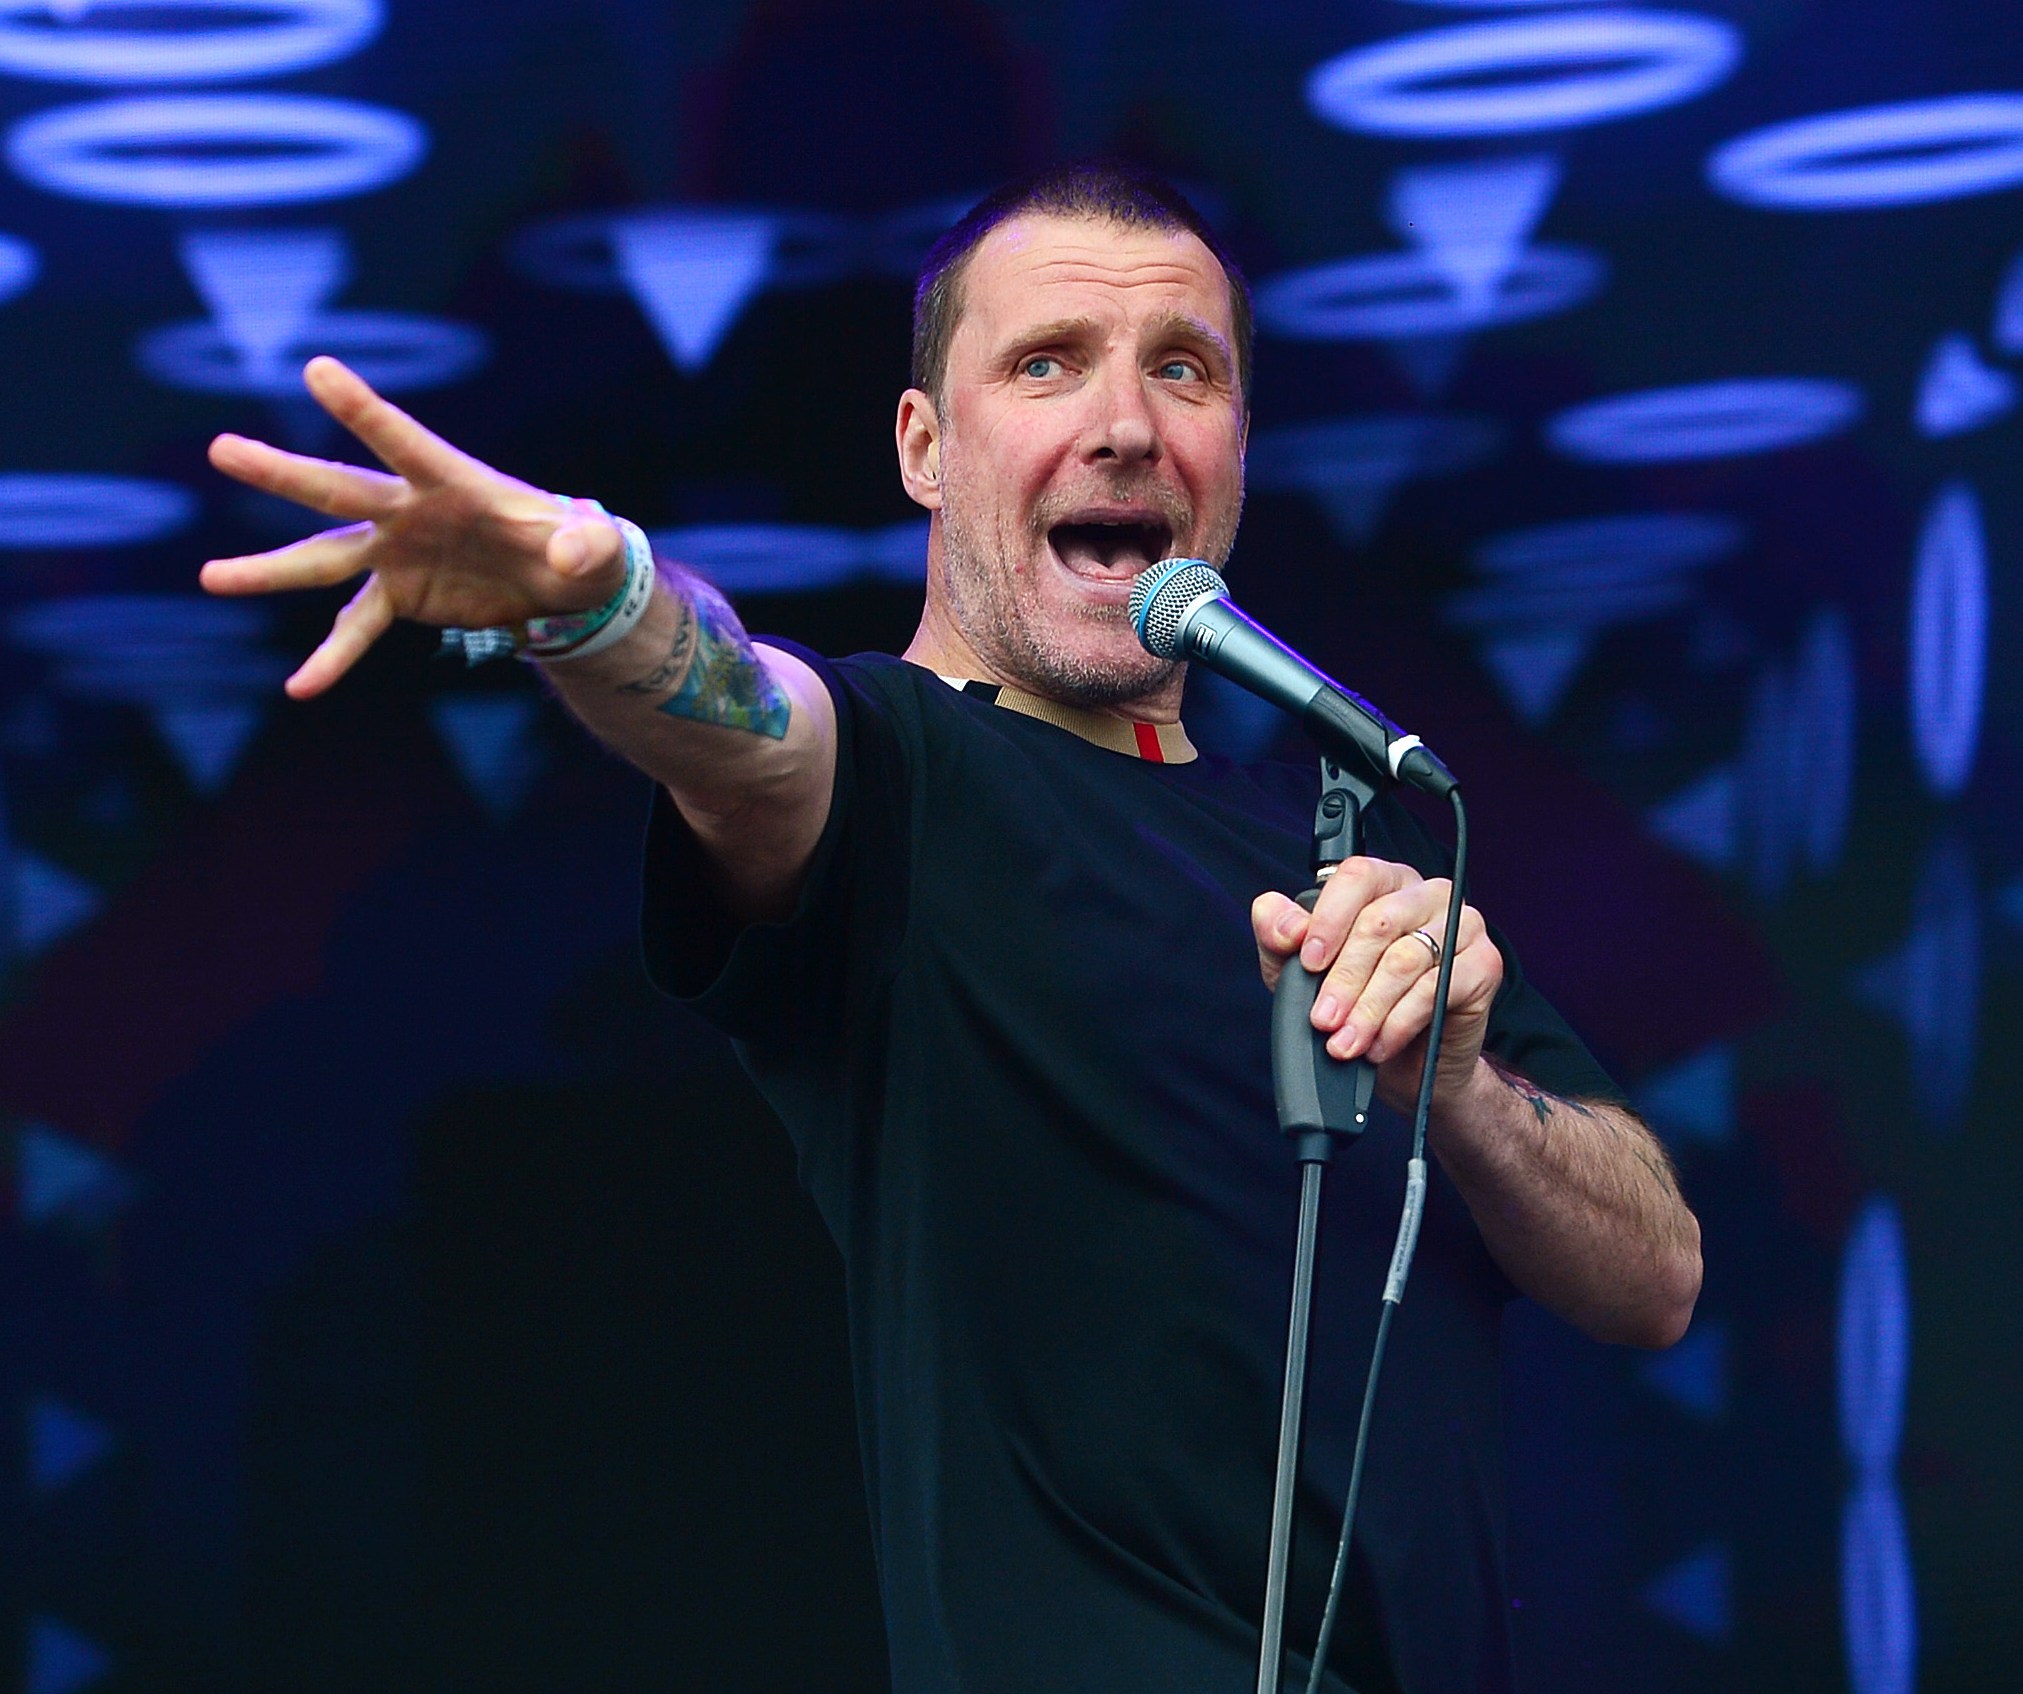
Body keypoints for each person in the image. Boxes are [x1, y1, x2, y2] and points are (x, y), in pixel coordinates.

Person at [202, 161, 1701, 1694]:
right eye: (1047, 362)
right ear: (925, 445)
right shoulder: (907, 774)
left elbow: (1653, 1274)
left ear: (1235, 447)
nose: (1125, 422)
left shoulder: (1356, 849)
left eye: (1183, 369)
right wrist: (601, 603)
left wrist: (1456, 1084)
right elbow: (745, 724)